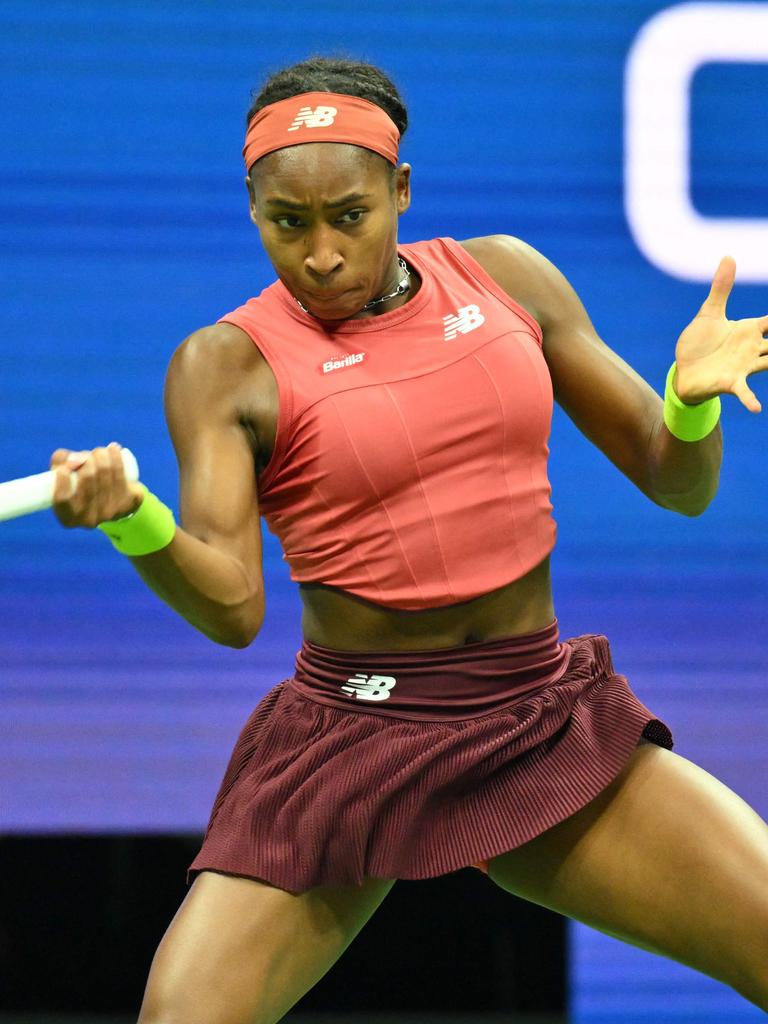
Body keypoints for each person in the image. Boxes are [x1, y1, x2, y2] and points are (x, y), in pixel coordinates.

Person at [50, 55, 768, 1022]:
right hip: (352, 742)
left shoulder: (508, 278)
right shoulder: (223, 366)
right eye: (286, 223)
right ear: (253, 211)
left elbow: (675, 482)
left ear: (400, 191)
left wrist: (685, 406)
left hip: (536, 722)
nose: (320, 253)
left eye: (350, 215)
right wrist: (133, 520)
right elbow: (230, 606)